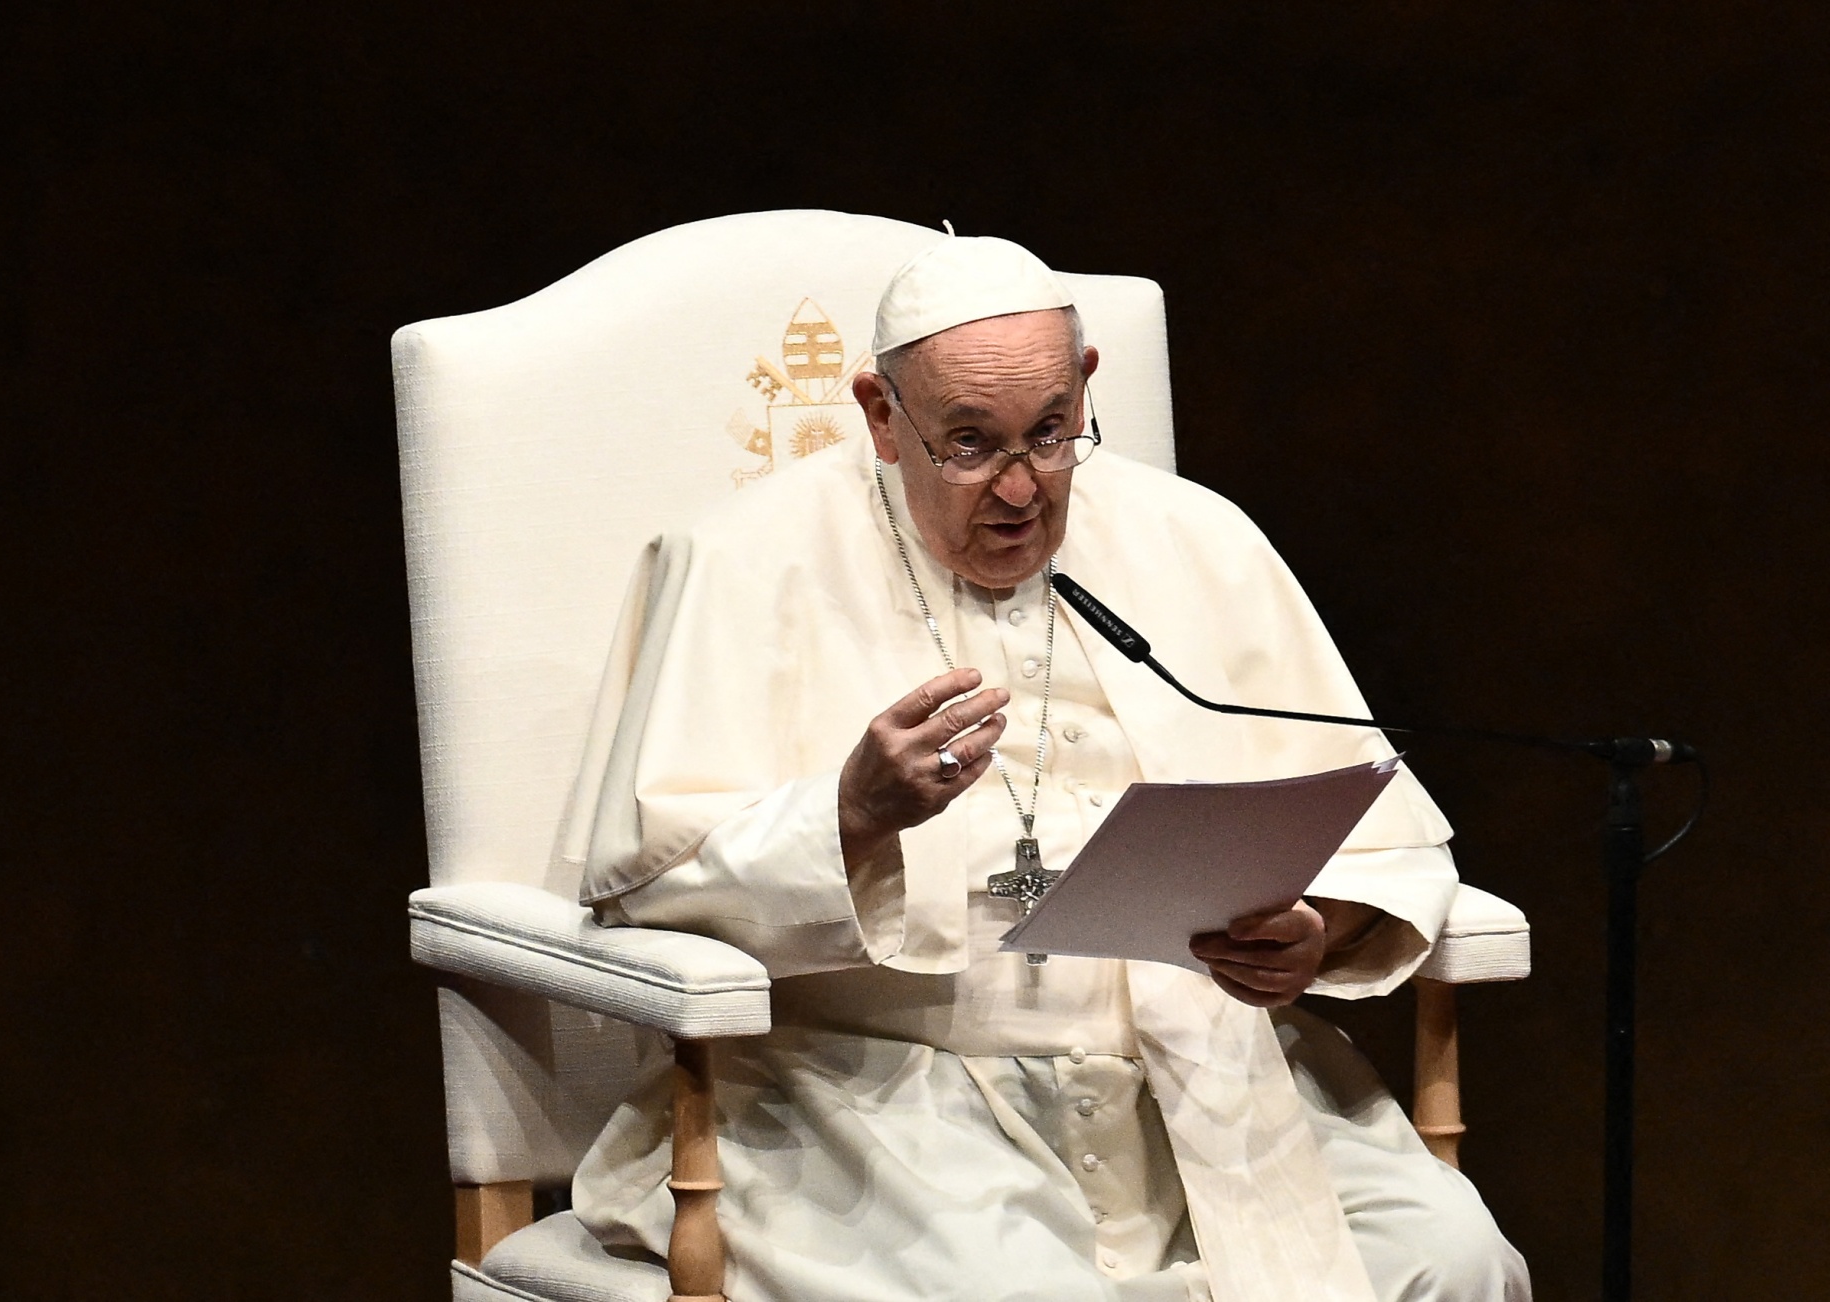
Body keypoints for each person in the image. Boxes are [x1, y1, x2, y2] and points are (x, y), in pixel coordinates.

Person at [560, 236, 1530, 1302]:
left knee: (1452, 1261)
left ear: (1085, 389)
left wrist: (1316, 930)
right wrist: (849, 814)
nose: (1021, 489)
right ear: (883, 415)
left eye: (1051, 436)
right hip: (874, 1099)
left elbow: (1375, 840)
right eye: (969, 444)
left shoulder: (1199, 540)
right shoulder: (744, 559)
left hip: (1203, 1070)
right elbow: (647, 886)